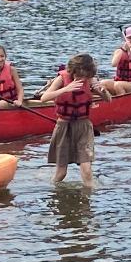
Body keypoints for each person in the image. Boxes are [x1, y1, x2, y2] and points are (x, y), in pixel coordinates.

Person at [41, 53, 110, 186]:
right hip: (64, 125)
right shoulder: (62, 79)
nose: (81, 78)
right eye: (79, 74)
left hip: (83, 126)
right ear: (73, 70)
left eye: (84, 75)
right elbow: (44, 98)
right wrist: (66, 89)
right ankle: (53, 193)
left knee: (87, 170)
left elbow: (108, 99)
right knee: (61, 173)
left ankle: (88, 202)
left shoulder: (89, 79)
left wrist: (102, 90)